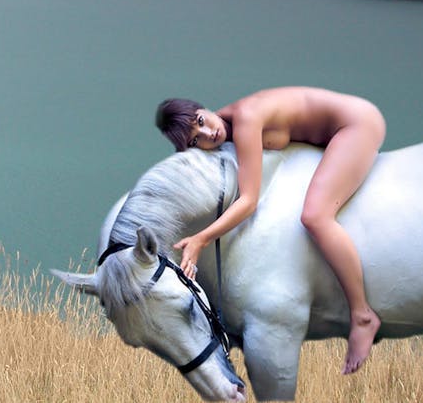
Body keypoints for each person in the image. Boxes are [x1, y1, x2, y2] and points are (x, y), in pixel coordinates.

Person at [155, 86, 385, 375]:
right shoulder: (228, 129)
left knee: (316, 216)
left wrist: (201, 239)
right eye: (196, 140)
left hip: (356, 124)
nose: (207, 134)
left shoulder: (247, 117)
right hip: (335, 132)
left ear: (204, 108)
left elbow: (249, 201)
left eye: (200, 122)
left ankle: (362, 315)